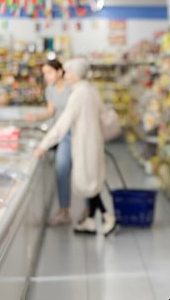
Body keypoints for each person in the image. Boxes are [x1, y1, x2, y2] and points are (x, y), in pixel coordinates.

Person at [33, 58, 116, 236]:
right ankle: (91, 221)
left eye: (69, 72)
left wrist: (43, 146)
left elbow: (63, 123)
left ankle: (108, 218)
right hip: (92, 141)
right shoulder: (89, 89)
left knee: (89, 182)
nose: (66, 75)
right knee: (91, 181)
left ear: (76, 74)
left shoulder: (78, 94)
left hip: (85, 143)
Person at [25, 59, 72, 226]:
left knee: (78, 172)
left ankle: (90, 210)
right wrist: (36, 117)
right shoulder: (50, 89)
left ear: (60, 72)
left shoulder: (72, 88)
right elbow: (51, 112)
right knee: (61, 169)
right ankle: (64, 210)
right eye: (44, 73)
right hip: (60, 134)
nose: (46, 77)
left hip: (74, 132)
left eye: (49, 72)